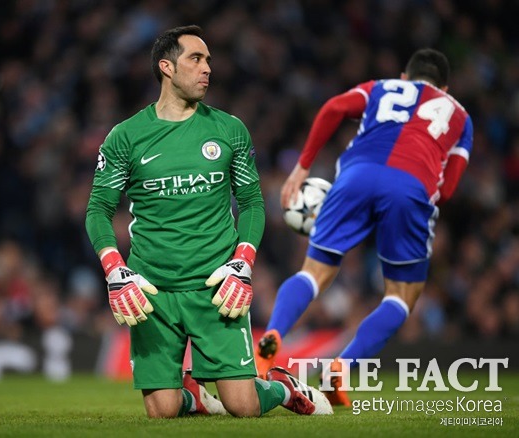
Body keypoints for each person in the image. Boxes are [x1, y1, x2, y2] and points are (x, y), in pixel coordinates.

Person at [86, 25, 318, 418]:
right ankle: (192, 396)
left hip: (217, 286)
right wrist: (114, 269)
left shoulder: (229, 130)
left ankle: (280, 386)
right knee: (163, 410)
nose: (207, 68)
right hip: (151, 291)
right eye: (196, 59)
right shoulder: (125, 137)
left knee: (243, 407)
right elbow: (98, 210)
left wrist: (243, 263)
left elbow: (252, 204)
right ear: (167, 67)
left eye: (209, 60)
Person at [255, 48, 473, 406]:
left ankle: (272, 337)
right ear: (445, 88)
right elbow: (447, 189)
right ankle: (340, 368)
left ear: (405, 77)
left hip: (355, 175)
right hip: (411, 188)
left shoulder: (381, 87)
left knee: (314, 272)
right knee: (402, 296)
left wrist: (303, 167)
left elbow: (333, 109)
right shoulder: (461, 117)